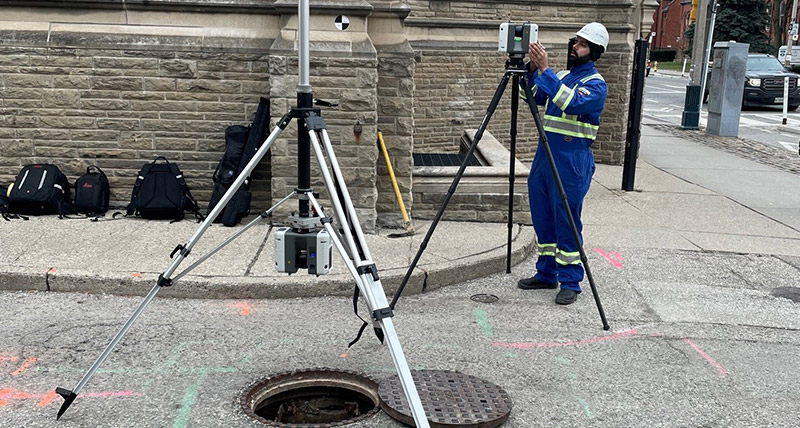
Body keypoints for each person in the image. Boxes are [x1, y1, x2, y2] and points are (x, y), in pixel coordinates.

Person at [517, 22, 609, 305]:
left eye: (581, 45)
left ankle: (571, 281)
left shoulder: (596, 84)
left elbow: (569, 103)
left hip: (572, 160)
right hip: (545, 156)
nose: (574, 47)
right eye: (575, 42)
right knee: (543, 215)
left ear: (593, 52)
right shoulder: (563, 75)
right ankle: (546, 273)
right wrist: (531, 72)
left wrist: (545, 71)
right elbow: (531, 98)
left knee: (567, 221)